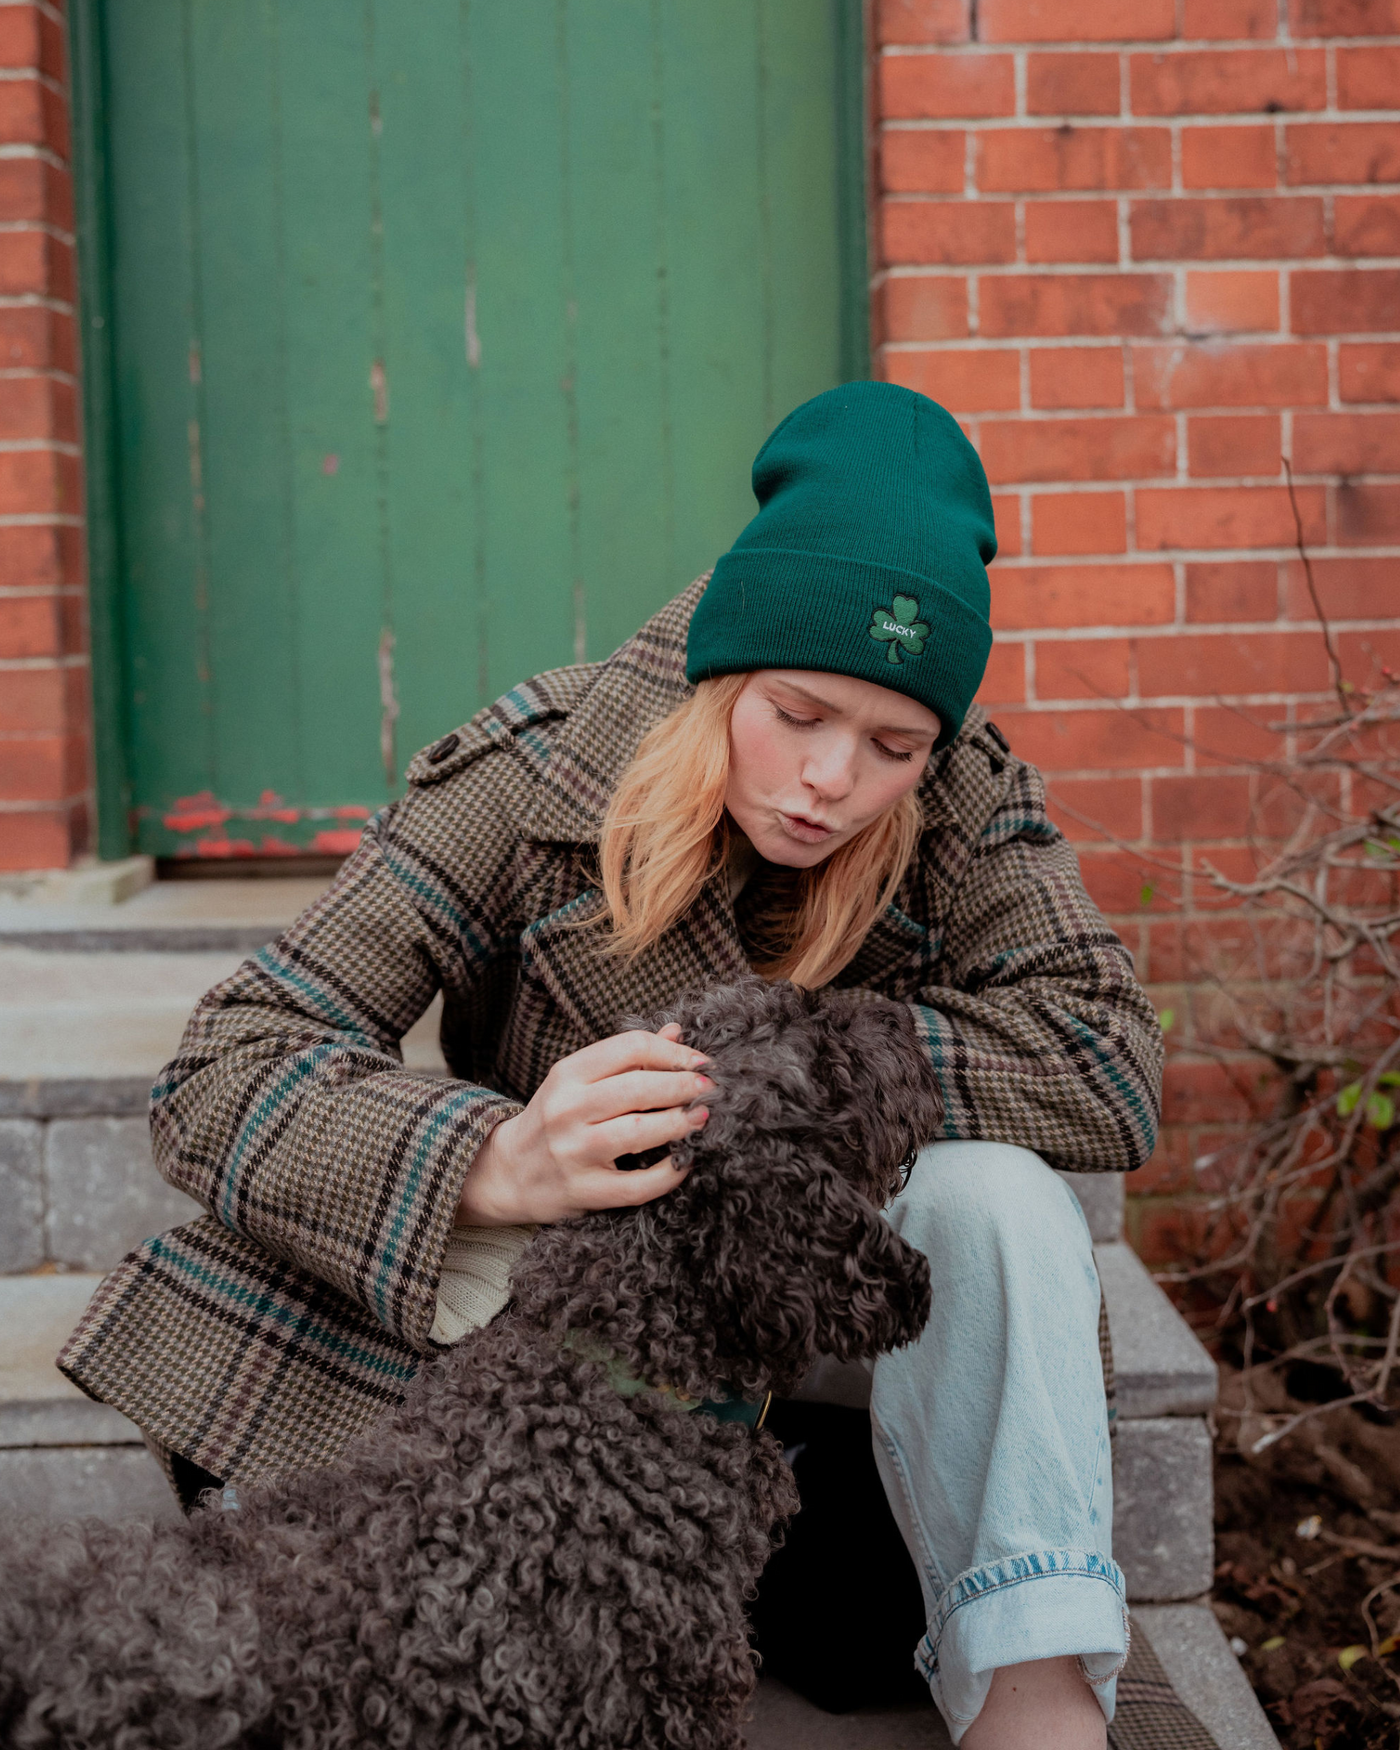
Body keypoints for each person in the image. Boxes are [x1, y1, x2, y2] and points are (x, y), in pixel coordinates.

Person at [60, 382, 1162, 1749]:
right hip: (555, 1330)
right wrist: (495, 1155)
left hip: (796, 1327)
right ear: (724, 671)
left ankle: (1033, 1687)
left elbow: (1105, 1060)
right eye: (798, 711)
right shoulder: (531, 773)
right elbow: (228, 1061)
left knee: (999, 1200)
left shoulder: (962, 801)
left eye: (892, 745)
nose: (832, 780)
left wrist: (797, 1074)